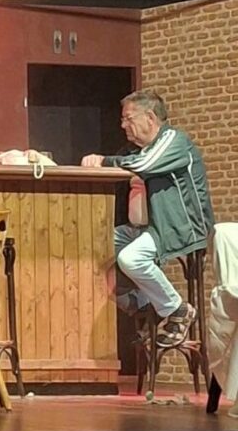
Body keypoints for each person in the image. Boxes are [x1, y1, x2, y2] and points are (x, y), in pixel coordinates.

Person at [82, 90, 214, 348]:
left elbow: (144, 165)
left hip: (181, 226)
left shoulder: (175, 140)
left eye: (128, 118)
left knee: (131, 258)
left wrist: (103, 161)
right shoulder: (136, 149)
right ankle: (147, 307)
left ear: (150, 118)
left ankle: (177, 310)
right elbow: (130, 162)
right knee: (91, 247)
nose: (123, 125)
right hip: (144, 227)